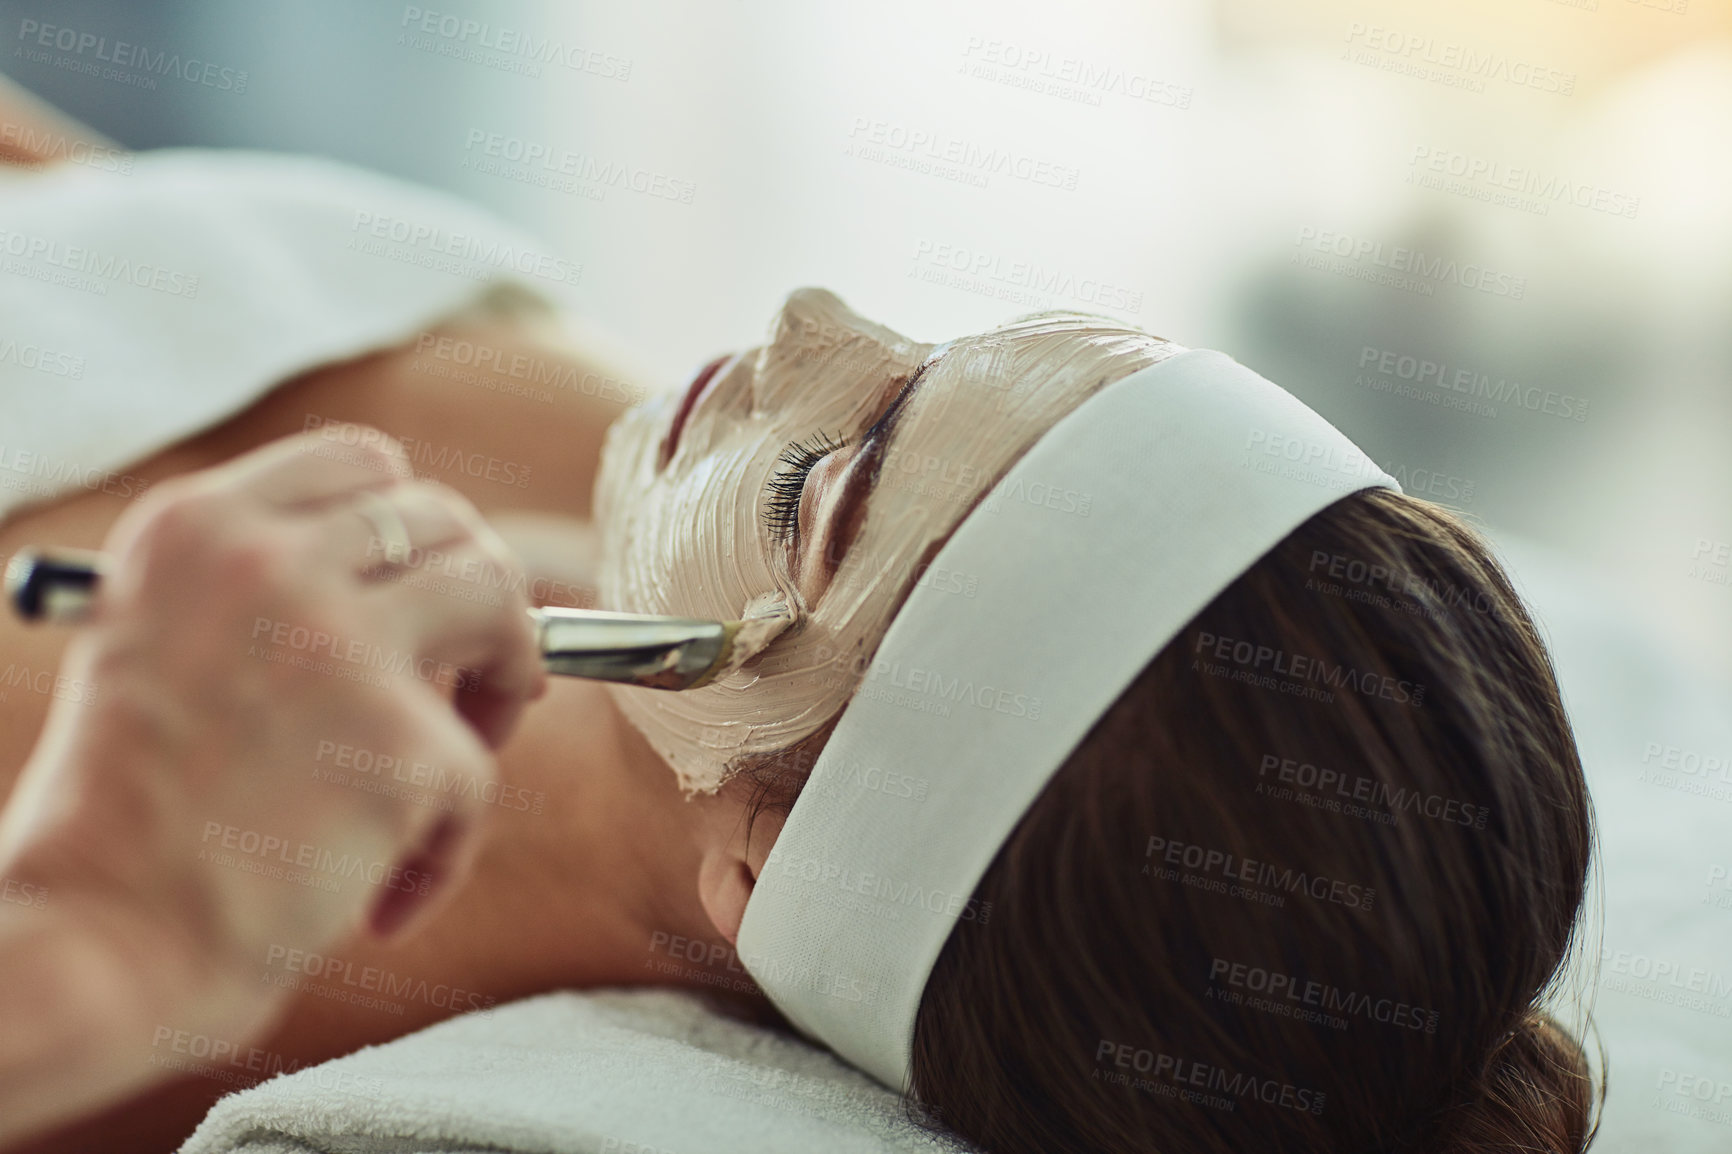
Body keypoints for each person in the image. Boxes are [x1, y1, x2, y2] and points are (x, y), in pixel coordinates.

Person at [0, 97, 1596, 1154]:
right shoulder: (601, 438)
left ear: (764, 871)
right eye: (938, 356)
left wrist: (108, 936)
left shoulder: (162, 1005)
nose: (804, 322)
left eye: (817, 492)